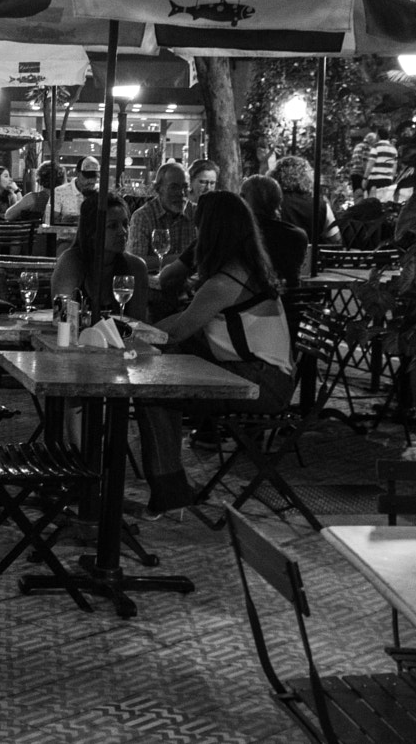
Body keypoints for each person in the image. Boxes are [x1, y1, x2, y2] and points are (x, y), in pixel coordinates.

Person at [138, 190, 296, 514]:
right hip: (267, 375)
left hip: (261, 385)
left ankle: (171, 491)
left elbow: (179, 329)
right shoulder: (244, 269)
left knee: (152, 393)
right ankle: (173, 485)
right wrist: (139, 333)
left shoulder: (225, 282)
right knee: (164, 367)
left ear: (212, 231)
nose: (195, 234)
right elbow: (182, 323)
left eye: (199, 227)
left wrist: (132, 336)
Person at [50, 192, 148, 314]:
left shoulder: (136, 267)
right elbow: (62, 317)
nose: (122, 232)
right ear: (92, 231)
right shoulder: (71, 263)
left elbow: (138, 323)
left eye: (125, 224)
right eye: (112, 226)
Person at [240, 174, 308, 286]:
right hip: (288, 298)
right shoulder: (296, 236)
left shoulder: (239, 234)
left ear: (244, 199)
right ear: (278, 200)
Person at [126, 162, 197, 267]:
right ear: (158, 189)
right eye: (174, 187)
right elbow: (136, 261)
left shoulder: (197, 213)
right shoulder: (143, 217)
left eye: (185, 187)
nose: (181, 193)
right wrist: (183, 259)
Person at [270, 156, 342, 244]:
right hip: (310, 256)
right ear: (307, 177)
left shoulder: (271, 203)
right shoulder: (320, 206)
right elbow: (335, 239)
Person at [364, 125, 399, 192]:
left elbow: (370, 164)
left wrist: (365, 178)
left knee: (371, 201)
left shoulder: (375, 147)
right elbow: (394, 166)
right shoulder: (394, 149)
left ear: (378, 136)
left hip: (374, 180)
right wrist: (391, 178)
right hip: (388, 180)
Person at [348, 131, 376, 195]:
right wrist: (366, 176)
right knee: (362, 194)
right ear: (371, 140)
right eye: (374, 141)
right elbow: (364, 161)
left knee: (357, 194)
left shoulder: (358, 146)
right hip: (360, 173)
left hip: (354, 173)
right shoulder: (366, 147)